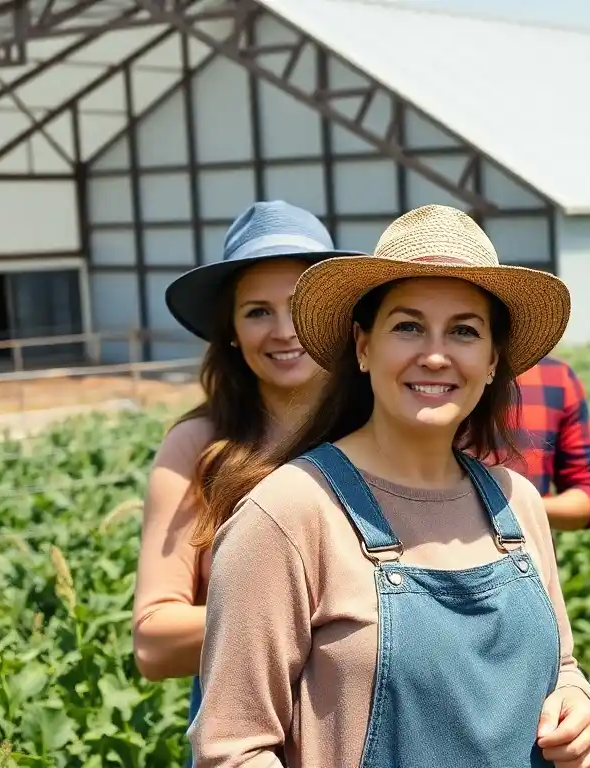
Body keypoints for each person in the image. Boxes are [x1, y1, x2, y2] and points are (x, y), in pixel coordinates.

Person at [188, 204, 590, 768]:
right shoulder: (288, 514)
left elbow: (561, 667)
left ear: (491, 361)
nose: (434, 354)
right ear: (363, 346)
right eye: (408, 326)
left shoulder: (516, 502)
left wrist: (576, 706)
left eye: (463, 330)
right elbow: (231, 750)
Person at [131, 201, 360, 737]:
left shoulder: (386, 432)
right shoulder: (199, 447)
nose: (283, 330)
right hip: (246, 732)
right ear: (231, 331)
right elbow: (154, 642)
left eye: (301, 305)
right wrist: (318, 617)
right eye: (257, 311)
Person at [501, 356, 590, 531]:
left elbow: (589, 495)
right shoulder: (447, 383)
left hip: (529, 552)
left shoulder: (556, 378)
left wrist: (521, 508)